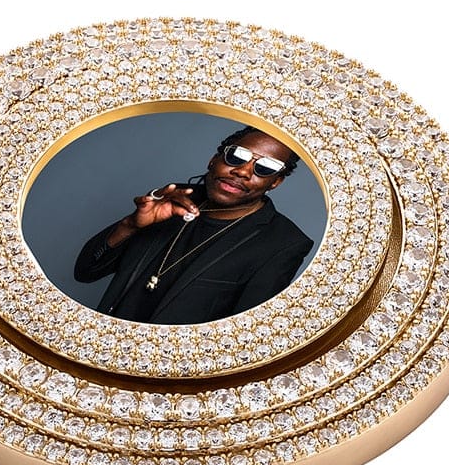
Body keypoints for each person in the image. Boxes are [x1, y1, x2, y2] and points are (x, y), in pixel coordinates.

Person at [74, 126, 314, 324]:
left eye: (266, 168)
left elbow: (247, 333)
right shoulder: (172, 199)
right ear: (214, 159)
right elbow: (85, 272)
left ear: (276, 182)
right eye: (237, 156)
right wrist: (130, 225)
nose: (242, 171)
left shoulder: (283, 243)